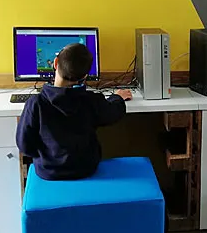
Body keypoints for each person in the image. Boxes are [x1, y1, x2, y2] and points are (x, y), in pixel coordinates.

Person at [16, 43, 133, 180]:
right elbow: (113, 113)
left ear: (55, 63)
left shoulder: (36, 104)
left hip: (49, 172)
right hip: (86, 169)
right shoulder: (91, 101)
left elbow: (24, 145)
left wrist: (44, 156)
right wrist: (117, 97)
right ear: (85, 76)